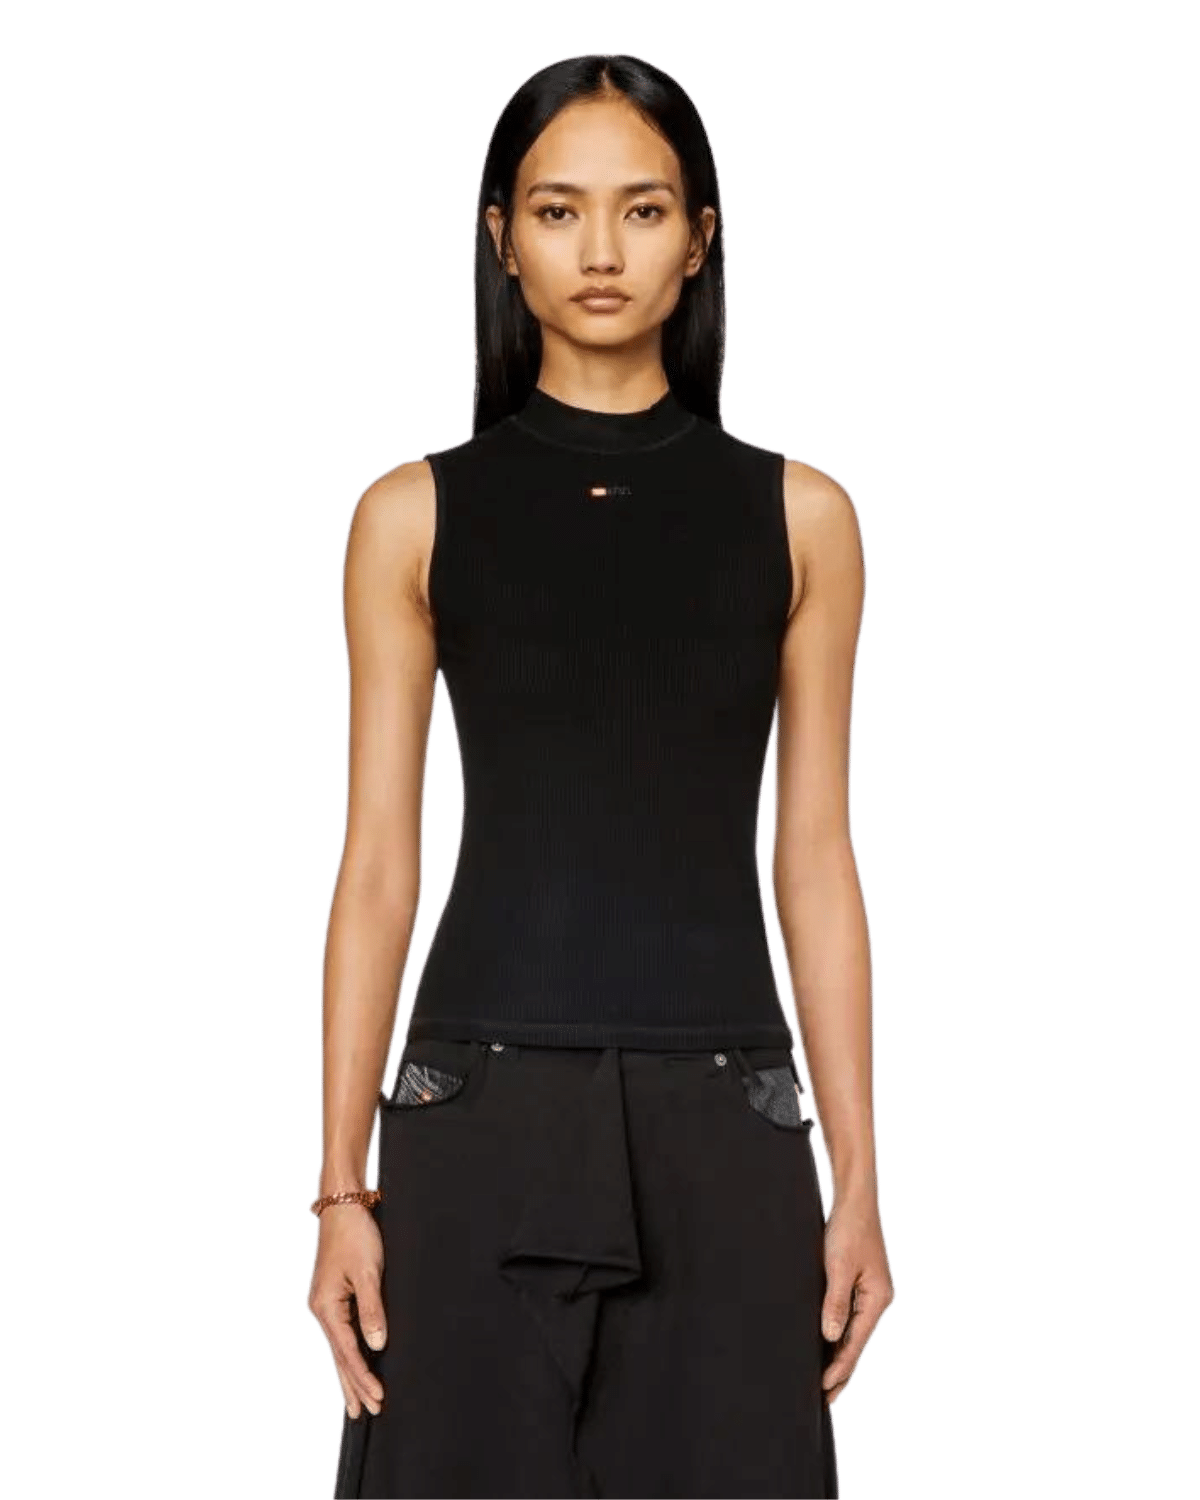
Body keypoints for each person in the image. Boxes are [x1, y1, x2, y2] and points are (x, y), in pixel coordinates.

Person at [306, 51, 895, 1500]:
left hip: (731, 1115)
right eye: (558, 210)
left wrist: (862, 1180)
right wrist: (336, 1187)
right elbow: (377, 864)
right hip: (472, 1110)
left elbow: (816, 857)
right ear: (500, 236)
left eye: (644, 209)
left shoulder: (803, 515)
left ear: (701, 237)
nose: (602, 251)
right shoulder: (410, 514)